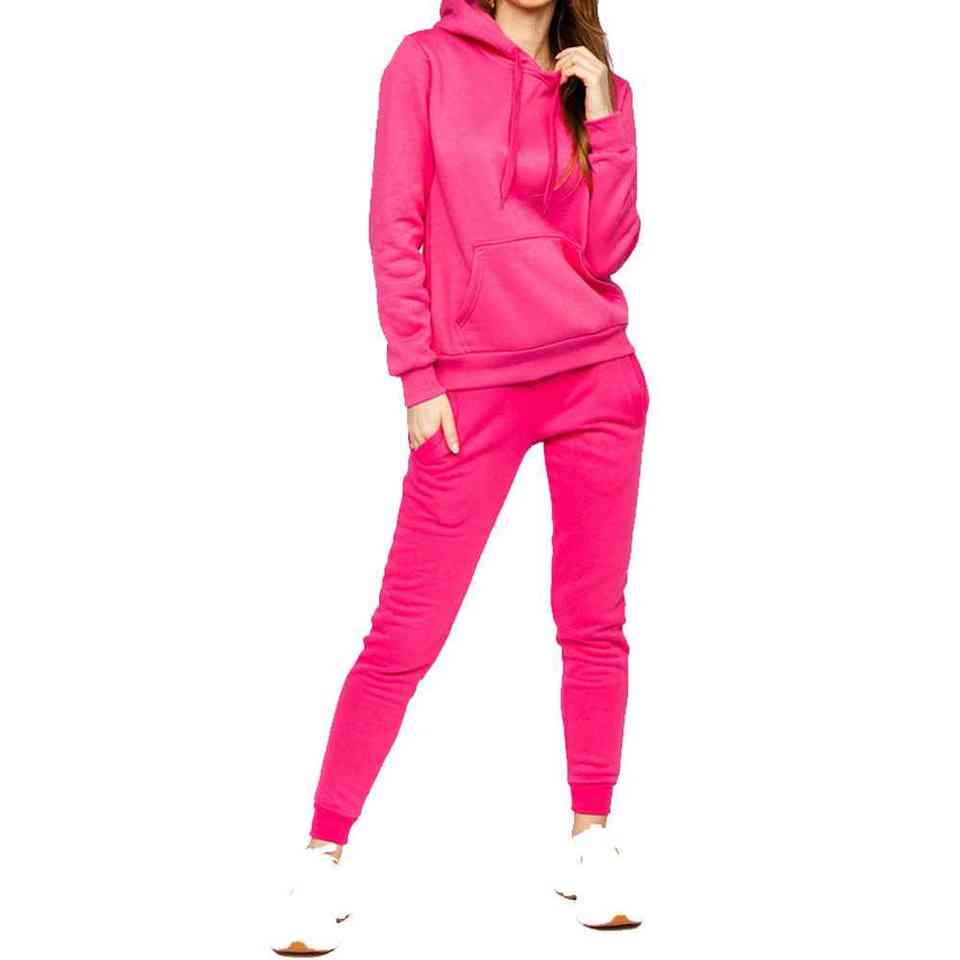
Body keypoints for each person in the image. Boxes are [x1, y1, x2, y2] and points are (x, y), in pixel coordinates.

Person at [272, 0, 647, 952]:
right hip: (470, 388)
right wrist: (417, 374)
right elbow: (393, 223)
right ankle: (321, 857)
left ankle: (591, 840)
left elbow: (607, 251)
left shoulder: (595, 83)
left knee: (594, 622)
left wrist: (605, 113)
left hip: (596, 377)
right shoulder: (425, 63)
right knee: (405, 633)